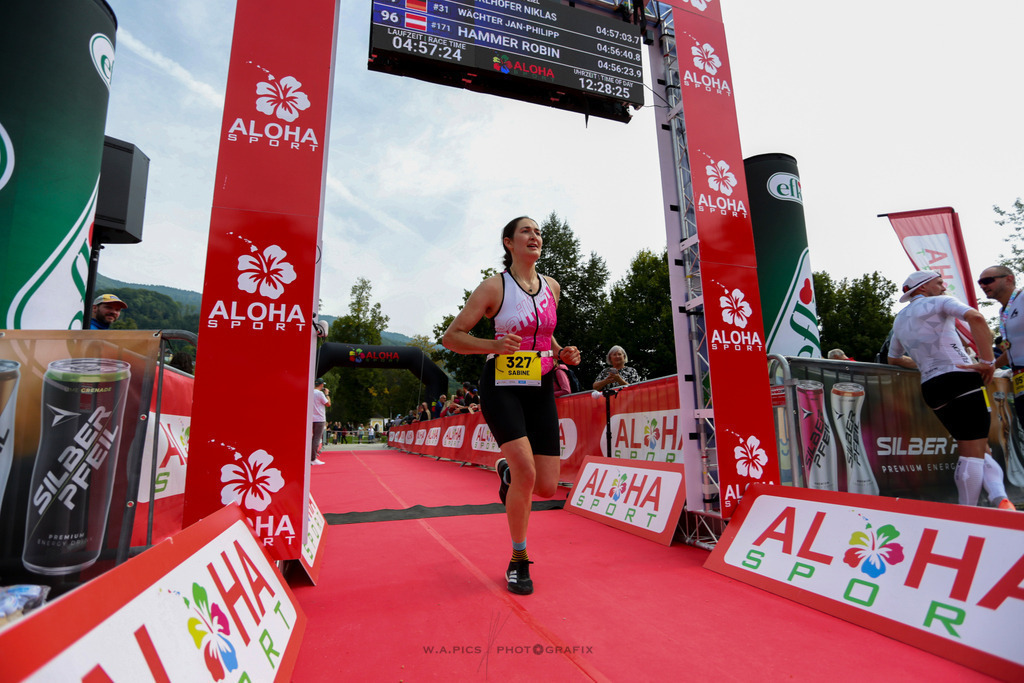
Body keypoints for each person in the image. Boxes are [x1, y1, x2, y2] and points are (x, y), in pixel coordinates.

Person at [442, 215, 581, 595]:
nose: (535, 236)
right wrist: (492, 346)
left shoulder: (552, 286)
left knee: (548, 487)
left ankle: (506, 472)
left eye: (538, 232)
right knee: (526, 471)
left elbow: (545, 336)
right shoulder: (493, 287)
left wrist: (563, 352)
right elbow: (451, 337)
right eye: (526, 231)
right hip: (501, 384)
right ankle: (519, 560)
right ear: (509, 243)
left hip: (540, 384)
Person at [886, 271, 1008, 509]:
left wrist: (924, 363)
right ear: (922, 288)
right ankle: (968, 514)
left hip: (932, 386)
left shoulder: (899, 319)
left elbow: (894, 358)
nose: (944, 287)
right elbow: (977, 318)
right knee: (972, 451)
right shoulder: (940, 302)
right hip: (961, 378)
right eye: (939, 283)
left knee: (979, 447)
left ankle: (999, 499)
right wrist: (988, 362)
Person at [979, 265, 1023, 421]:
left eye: (988, 281)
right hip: (1019, 377)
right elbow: (1013, 348)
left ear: (1009, 279)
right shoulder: (1004, 311)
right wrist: (992, 367)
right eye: (980, 283)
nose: (983, 286)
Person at [311, 378, 330, 465]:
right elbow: (328, 404)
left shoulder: (310, 392)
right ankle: (313, 458)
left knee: (311, 439)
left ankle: (310, 456)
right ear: (321, 385)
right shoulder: (320, 393)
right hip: (319, 418)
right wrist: (327, 394)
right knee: (316, 438)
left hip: (311, 418)